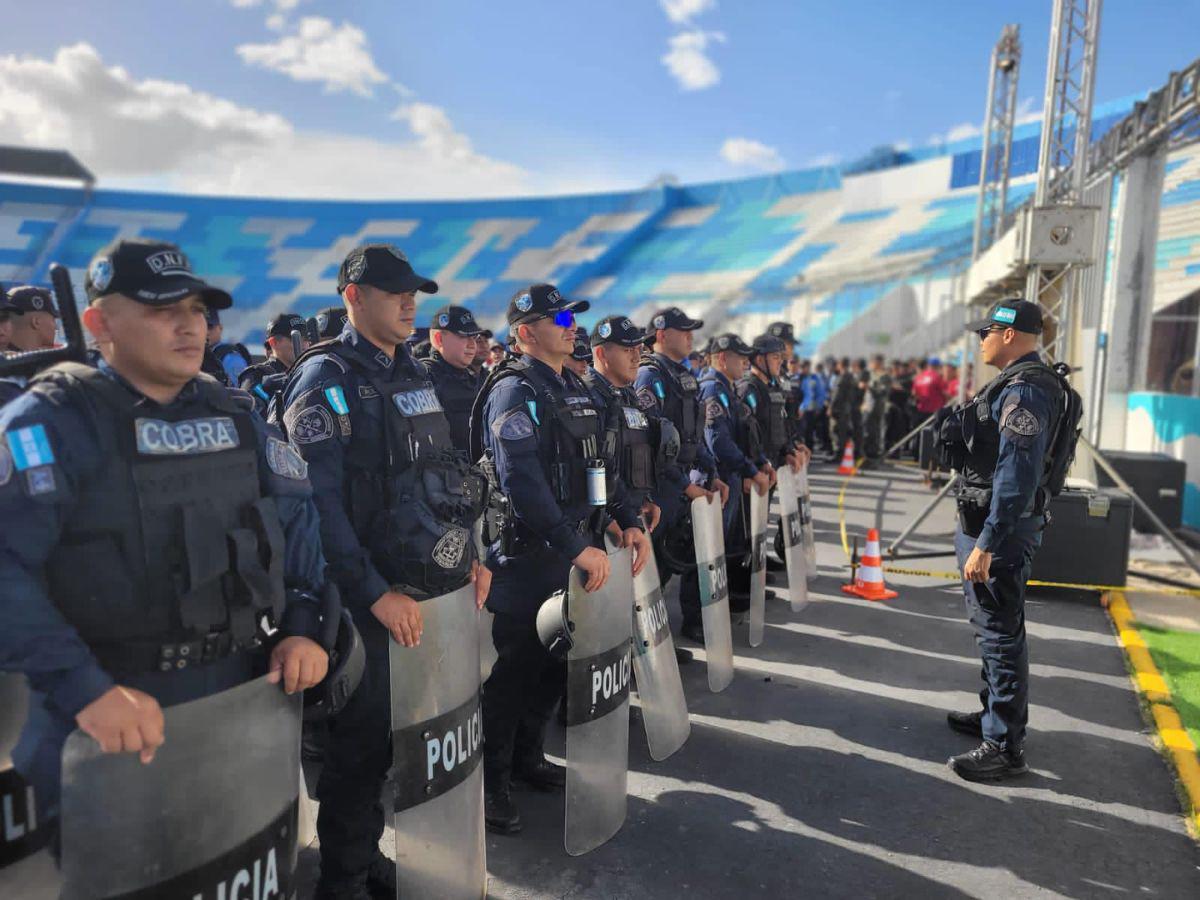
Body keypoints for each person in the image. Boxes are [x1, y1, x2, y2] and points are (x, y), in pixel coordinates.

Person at [0, 238, 330, 835]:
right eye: (161, 311)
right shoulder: (49, 422)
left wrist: (303, 627)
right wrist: (83, 689)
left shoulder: (234, 415)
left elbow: (296, 519)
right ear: (100, 323)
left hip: (240, 700)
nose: (188, 327)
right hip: (111, 719)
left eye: (196, 310)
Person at [280, 243, 491, 898]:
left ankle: (365, 856)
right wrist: (372, 595)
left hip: (425, 589)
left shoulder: (413, 373)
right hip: (362, 603)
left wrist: (471, 556)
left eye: (414, 292)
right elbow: (318, 508)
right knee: (358, 750)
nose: (409, 302)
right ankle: (341, 881)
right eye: (395, 291)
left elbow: (445, 481)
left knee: (397, 742)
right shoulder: (326, 380)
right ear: (352, 296)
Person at [471, 283, 650, 836]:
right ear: (525, 333)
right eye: (558, 318)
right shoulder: (514, 391)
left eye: (572, 316)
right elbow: (522, 483)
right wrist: (577, 546)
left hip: (579, 551)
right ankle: (489, 785)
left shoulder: (573, 388)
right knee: (516, 673)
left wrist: (628, 519)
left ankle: (528, 759)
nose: (571, 325)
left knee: (555, 667)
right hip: (532, 560)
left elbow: (600, 468)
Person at [940, 298, 1068, 782]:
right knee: (992, 629)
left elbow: (1016, 477)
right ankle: (993, 716)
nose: (981, 339)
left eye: (987, 332)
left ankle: (1005, 745)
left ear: (1010, 335)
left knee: (999, 634)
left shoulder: (1026, 392)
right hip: (992, 527)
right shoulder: (1018, 384)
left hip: (1001, 534)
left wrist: (986, 543)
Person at [634, 308, 729, 644]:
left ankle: (669, 639)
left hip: (681, 486)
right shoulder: (650, 377)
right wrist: (686, 485)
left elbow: (693, 436)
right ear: (661, 335)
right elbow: (651, 445)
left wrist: (710, 471)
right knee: (650, 575)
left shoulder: (682, 375)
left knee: (678, 561)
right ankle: (642, 654)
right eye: (683, 330)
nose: (691, 336)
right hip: (661, 488)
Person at [699, 333, 772, 620]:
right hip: (717, 477)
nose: (745, 362)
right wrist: (750, 470)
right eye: (738, 357)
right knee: (710, 550)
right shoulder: (713, 390)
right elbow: (718, 441)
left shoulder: (726, 388)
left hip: (729, 476)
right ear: (720, 358)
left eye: (746, 357)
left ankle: (721, 605)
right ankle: (701, 618)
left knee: (724, 546)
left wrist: (755, 464)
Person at [426, 304, 483, 449]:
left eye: (474, 337)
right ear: (439, 339)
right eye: (463, 336)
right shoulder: (424, 378)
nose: (472, 344)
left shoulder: (472, 378)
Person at [239, 312, 310, 418]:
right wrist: (263, 394)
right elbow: (246, 416)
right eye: (296, 339)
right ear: (274, 343)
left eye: (307, 340)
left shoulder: (310, 371)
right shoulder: (256, 376)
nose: (305, 345)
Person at [205, 308, 253, 385]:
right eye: (202, 326)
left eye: (210, 327)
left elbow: (239, 390)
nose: (206, 332)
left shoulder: (229, 356)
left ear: (220, 328)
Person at [865, 354, 892, 460]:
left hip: (877, 406)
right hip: (868, 406)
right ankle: (868, 450)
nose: (871, 364)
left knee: (874, 429)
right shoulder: (871, 375)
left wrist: (870, 387)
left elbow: (882, 392)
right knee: (868, 428)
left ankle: (873, 451)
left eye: (873, 362)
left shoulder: (884, 376)